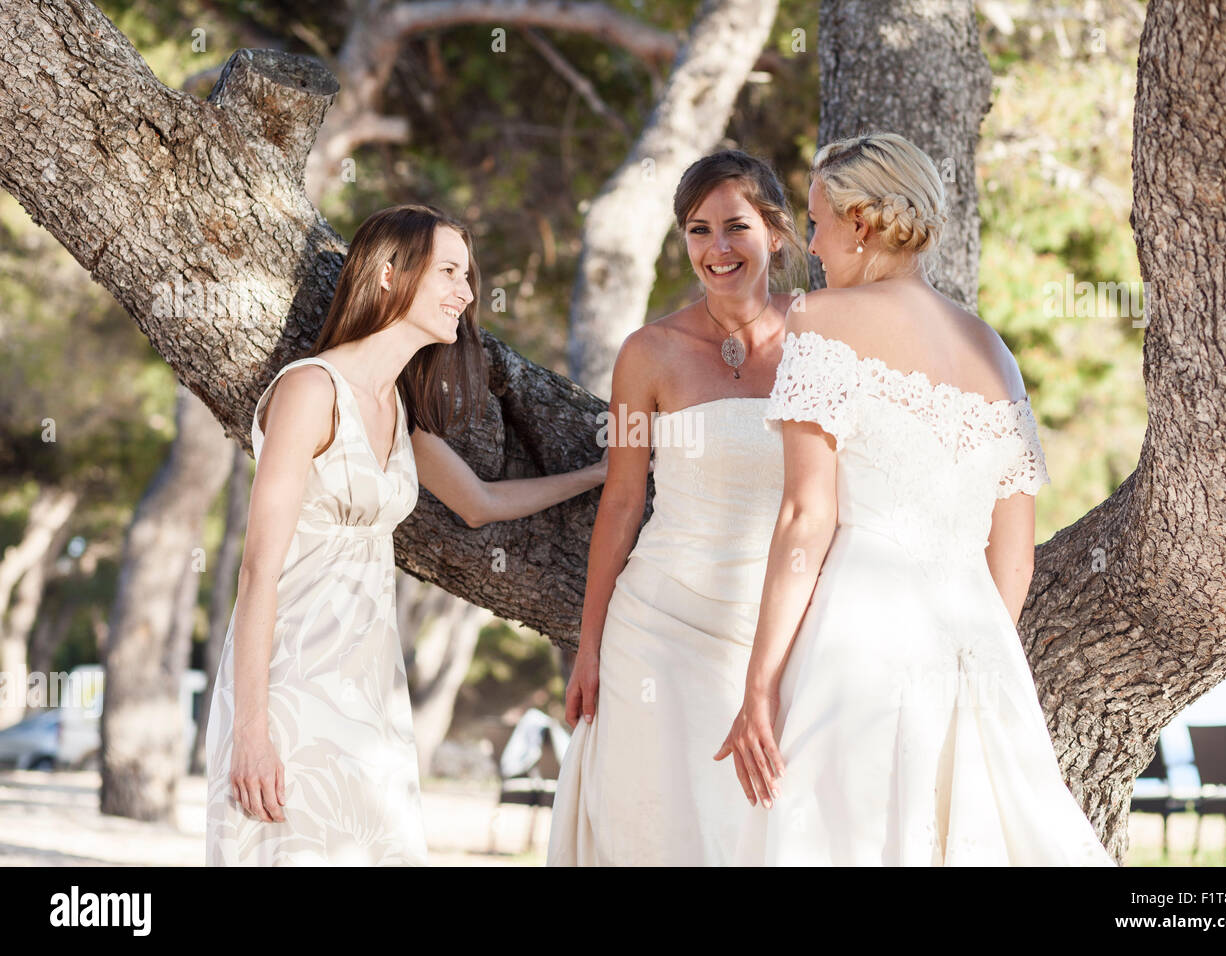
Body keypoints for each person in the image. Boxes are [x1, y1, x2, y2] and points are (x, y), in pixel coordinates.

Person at [716, 132, 1116, 866]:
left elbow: (806, 517)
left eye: (816, 223)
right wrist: (976, 657)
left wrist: (759, 684)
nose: (811, 245)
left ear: (861, 224)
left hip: (857, 634)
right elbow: (1016, 557)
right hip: (975, 639)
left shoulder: (820, 320)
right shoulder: (996, 351)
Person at [206, 204, 607, 866]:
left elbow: (477, 504)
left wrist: (597, 474)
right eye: (450, 271)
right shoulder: (311, 390)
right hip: (288, 688)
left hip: (369, 692)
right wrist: (252, 730)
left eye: (468, 275)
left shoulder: (396, 408)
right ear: (390, 275)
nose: (467, 293)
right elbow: (258, 573)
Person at [547, 151, 806, 865]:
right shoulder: (647, 354)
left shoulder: (822, 339)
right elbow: (624, 499)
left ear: (776, 233)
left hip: (772, 631)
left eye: (735, 227)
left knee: (751, 829)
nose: (717, 249)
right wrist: (589, 645)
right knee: (656, 827)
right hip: (655, 628)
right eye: (698, 231)